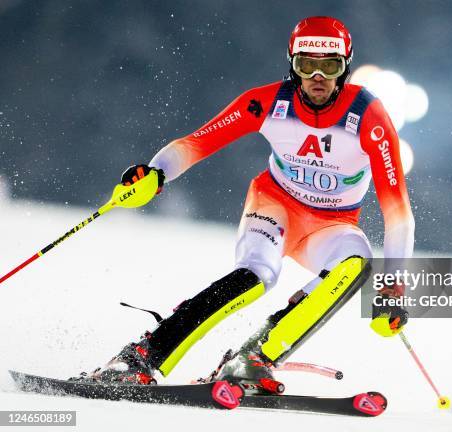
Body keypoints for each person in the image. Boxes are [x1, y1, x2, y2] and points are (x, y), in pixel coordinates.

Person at [80, 16, 415, 390]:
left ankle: (254, 357)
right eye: (307, 65)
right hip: (275, 206)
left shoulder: (369, 117)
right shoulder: (268, 101)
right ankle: (141, 357)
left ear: (345, 67)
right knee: (257, 275)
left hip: (332, 226)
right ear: (292, 64)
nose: (317, 77)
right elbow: (198, 142)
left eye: (329, 66)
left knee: (358, 266)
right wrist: (156, 173)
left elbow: (398, 213)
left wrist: (392, 285)